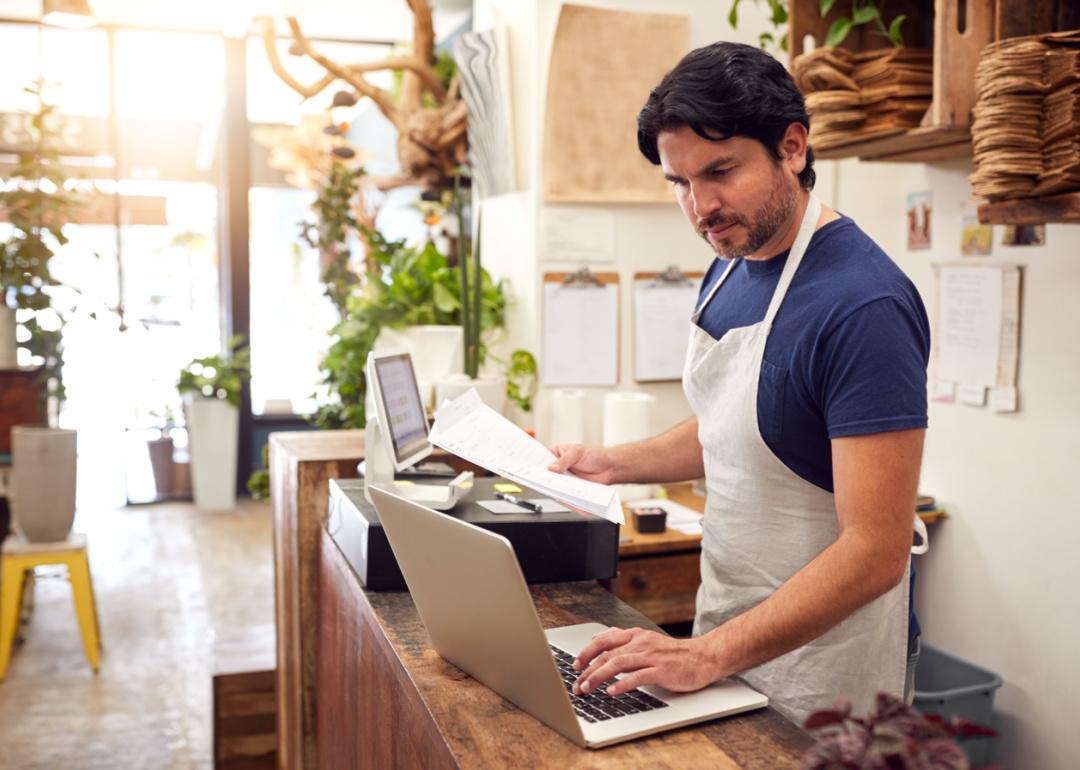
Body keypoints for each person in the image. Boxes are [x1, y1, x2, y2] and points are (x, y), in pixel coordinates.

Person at [549, 42, 929, 726]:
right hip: (724, 645)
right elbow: (744, 421)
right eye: (680, 183)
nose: (701, 206)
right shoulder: (731, 262)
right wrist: (614, 463)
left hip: (824, 682)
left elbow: (877, 552)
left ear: (792, 147)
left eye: (720, 171)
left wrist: (703, 656)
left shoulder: (863, 306)